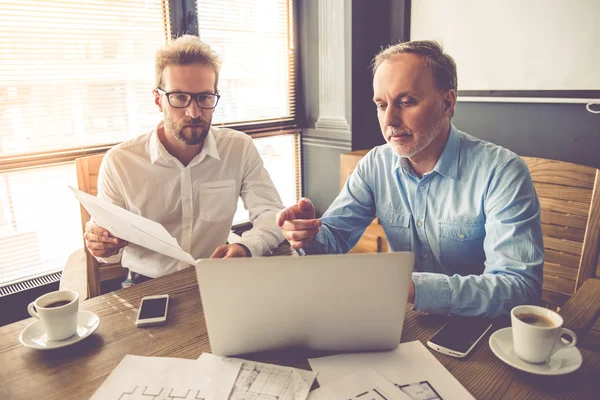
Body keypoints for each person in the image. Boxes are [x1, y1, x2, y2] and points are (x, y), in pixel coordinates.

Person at [276, 40, 543, 318]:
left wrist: (412, 288)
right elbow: (334, 238)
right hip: (405, 319)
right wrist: (309, 234)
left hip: (481, 332)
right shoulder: (375, 165)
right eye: (381, 105)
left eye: (406, 102)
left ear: (447, 103)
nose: (389, 119)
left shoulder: (502, 172)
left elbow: (519, 288)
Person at [84, 35, 284, 281]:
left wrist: (246, 246)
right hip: (147, 283)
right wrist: (101, 244)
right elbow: (107, 252)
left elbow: (271, 215)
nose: (194, 112)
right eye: (179, 97)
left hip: (218, 274)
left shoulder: (239, 148)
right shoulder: (120, 162)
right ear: (159, 100)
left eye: (204, 98)